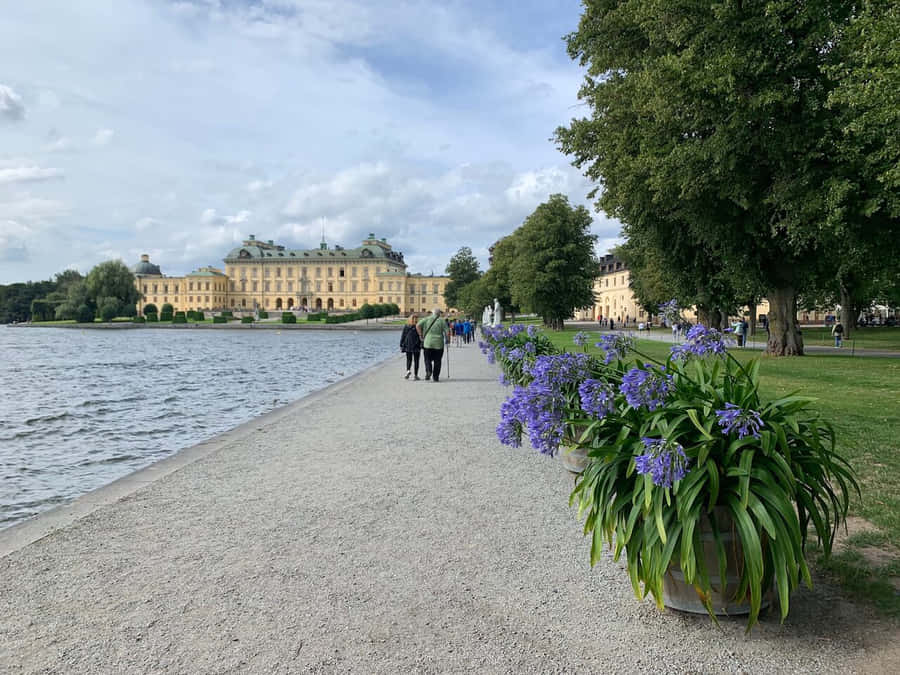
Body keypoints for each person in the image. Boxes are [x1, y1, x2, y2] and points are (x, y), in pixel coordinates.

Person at [418, 308, 449, 382]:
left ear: (432, 313)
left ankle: (429, 371)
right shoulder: (442, 320)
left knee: (427, 359)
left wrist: (420, 335)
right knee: (437, 361)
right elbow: (447, 332)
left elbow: (417, 325)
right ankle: (435, 377)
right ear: (439, 314)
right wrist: (448, 340)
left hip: (428, 343)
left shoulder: (426, 319)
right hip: (439, 343)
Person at [400, 313, 422, 380]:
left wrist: (401, 344)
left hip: (408, 344)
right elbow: (421, 335)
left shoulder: (406, 326)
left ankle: (408, 371)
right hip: (416, 344)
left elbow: (403, 336)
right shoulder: (418, 326)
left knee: (409, 359)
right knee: (416, 360)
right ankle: (416, 375)